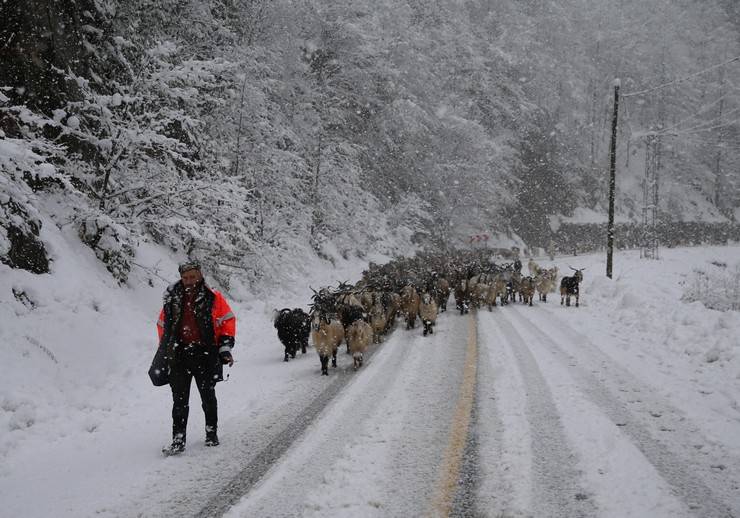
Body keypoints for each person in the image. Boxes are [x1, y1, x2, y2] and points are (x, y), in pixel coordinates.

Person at [156, 260, 236, 455]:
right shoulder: (172, 297)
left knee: (208, 396)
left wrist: (225, 348)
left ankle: (211, 433)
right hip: (179, 354)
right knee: (179, 401)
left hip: (205, 354)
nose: (189, 281)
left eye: (192, 277)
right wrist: (166, 350)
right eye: (185, 278)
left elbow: (227, 321)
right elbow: (162, 324)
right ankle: (178, 439)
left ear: (200, 275)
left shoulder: (213, 296)